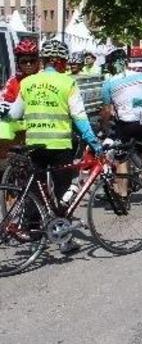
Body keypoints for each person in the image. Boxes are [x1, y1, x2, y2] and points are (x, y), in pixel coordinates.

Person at [5, 40, 101, 255]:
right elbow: (80, 117)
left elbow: (14, 114)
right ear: (61, 62)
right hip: (59, 144)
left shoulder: (28, 83)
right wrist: (94, 142)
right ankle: (64, 240)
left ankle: (33, 233)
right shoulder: (67, 83)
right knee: (63, 192)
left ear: (43, 61)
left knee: (35, 189)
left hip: (34, 144)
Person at [100, 48, 142, 197]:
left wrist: (103, 125)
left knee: (121, 158)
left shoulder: (108, 84)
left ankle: (122, 193)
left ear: (112, 65)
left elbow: (107, 111)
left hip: (126, 123)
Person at [0, 39, 41, 141]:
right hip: (20, 123)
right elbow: (3, 101)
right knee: (2, 126)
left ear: (38, 61)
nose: (28, 64)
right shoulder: (13, 81)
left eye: (32, 61)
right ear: (18, 63)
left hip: (42, 124)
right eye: (24, 61)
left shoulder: (45, 78)